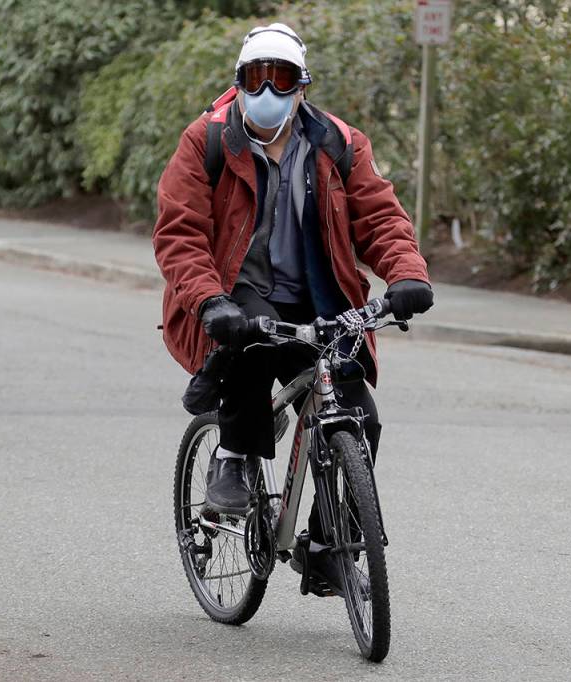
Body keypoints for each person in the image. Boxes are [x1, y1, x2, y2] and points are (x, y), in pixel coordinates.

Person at [152, 23, 433, 579]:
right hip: (240, 294)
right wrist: (209, 302)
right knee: (250, 351)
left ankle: (330, 547)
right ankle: (233, 457)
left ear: (302, 85)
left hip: (320, 296)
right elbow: (179, 232)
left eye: (281, 79)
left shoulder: (339, 142)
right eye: (255, 78)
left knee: (359, 415)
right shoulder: (206, 139)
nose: (267, 91)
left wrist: (407, 276)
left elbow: (380, 219)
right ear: (238, 81)